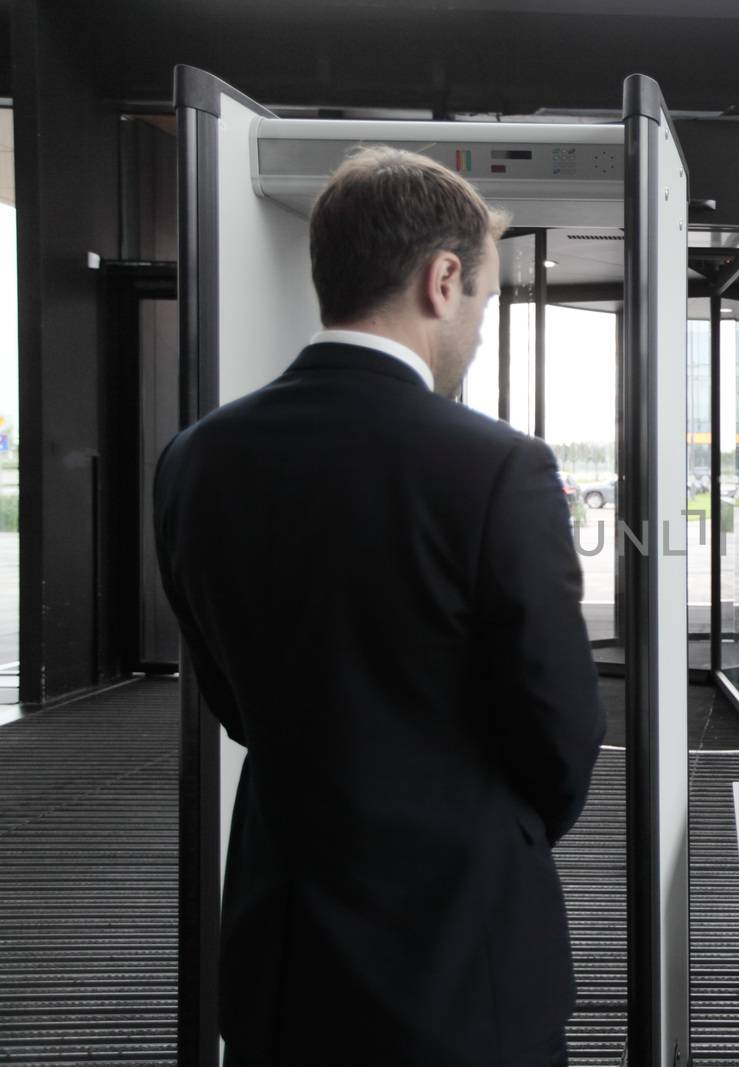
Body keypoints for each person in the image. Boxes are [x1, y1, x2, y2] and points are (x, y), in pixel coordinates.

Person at [154, 146, 605, 1066]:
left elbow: (233, 700)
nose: (477, 325)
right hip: (457, 959)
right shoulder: (498, 468)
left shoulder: (195, 461)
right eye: (481, 297)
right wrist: (487, 826)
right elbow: (562, 732)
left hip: (283, 954)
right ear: (442, 279)